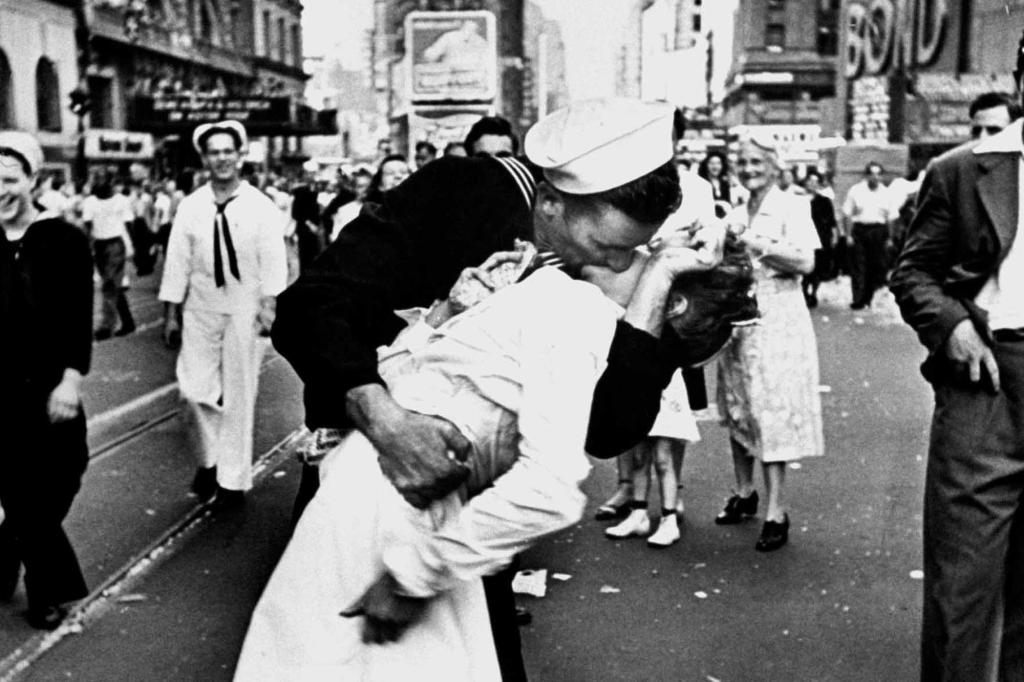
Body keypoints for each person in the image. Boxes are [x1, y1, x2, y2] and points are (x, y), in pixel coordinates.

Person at [236, 101, 754, 680]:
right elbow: (311, 307)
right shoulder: (466, 192)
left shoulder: (597, 290)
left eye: (634, 249)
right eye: (607, 245)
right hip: (380, 476)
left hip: (458, 521)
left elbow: (610, 426)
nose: (614, 261)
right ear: (552, 200)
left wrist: (657, 288)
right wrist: (388, 421)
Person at [888, 38, 1024, 679]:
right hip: (988, 378)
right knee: (963, 587)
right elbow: (913, 273)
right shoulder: (964, 169)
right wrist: (953, 329)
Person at [158, 120, 288, 508]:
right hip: (200, 309)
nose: (222, 159)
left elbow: (274, 263)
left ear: (240, 155)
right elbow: (177, 263)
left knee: (240, 394)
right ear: (204, 159)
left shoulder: (260, 207)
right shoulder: (191, 207)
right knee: (193, 391)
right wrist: (169, 314)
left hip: (244, 309)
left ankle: (232, 481)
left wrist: (270, 306)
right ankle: (209, 460)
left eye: (228, 151)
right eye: (214, 152)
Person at [0, 132, 93, 630]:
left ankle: (7, 547)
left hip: (50, 386)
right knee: (21, 492)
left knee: (61, 478)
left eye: (9, 179)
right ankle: (48, 591)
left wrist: (70, 380)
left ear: (32, 180)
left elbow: (78, 317)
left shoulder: (63, 239)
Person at [713, 138, 824, 552]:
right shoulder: (736, 211)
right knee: (739, 405)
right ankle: (745, 492)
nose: (748, 167)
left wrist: (754, 243)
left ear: (775, 167)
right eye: (741, 160)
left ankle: (777, 511)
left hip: (779, 318)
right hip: (738, 319)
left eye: (756, 161)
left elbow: (805, 262)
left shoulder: (793, 206)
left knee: (772, 410)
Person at [82, 171, 135, 340]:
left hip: (115, 245)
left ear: (111, 182)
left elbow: (129, 224)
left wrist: (131, 247)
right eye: (97, 180)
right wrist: (87, 247)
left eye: (103, 180)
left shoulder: (122, 201)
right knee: (112, 285)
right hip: (99, 245)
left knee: (110, 285)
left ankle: (106, 326)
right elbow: (87, 226)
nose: (100, 183)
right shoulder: (90, 202)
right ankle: (128, 322)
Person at [841, 161, 895, 310]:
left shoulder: (887, 193)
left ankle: (868, 297)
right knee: (858, 265)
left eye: (878, 174)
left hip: (878, 231)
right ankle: (857, 299)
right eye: (872, 174)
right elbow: (847, 214)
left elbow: (891, 218)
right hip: (860, 230)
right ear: (866, 176)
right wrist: (848, 235)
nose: (875, 177)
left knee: (875, 266)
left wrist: (890, 238)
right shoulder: (856, 191)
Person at [801, 169, 839, 308]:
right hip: (802, 238)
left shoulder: (824, 201)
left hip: (820, 238)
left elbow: (831, 221)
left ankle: (814, 292)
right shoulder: (798, 200)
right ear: (805, 183)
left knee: (817, 267)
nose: (812, 184)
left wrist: (834, 236)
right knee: (804, 267)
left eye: (815, 182)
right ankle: (804, 291)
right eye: (810, 181)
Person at [326, 167, 371, 242]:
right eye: (360, 186)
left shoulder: (381, 208)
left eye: (369, 186)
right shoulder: (345, 210)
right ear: (354, 188)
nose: (365, 190)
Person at [697, 151, 733, 218]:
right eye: (711, 163)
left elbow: (729, 203)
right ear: (706, 165)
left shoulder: (725, 183)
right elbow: (699, 204)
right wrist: (719, 203)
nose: (715, 166)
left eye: (718, 163)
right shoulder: (701, 183)